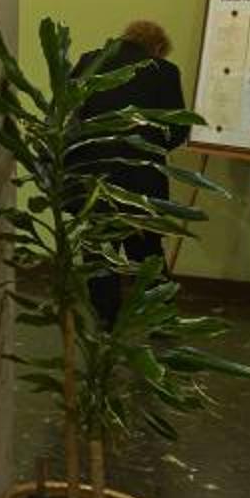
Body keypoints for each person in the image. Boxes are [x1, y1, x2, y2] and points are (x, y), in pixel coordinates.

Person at [70, 19, 188, 330]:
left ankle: (105, 319)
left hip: (92, 176)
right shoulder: (164, 71)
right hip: (142, 178)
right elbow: (177, 128)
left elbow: (66, 113)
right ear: (157, 48)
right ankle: (157, 319)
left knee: (100, 251)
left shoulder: (90, 61)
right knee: (147, 250)